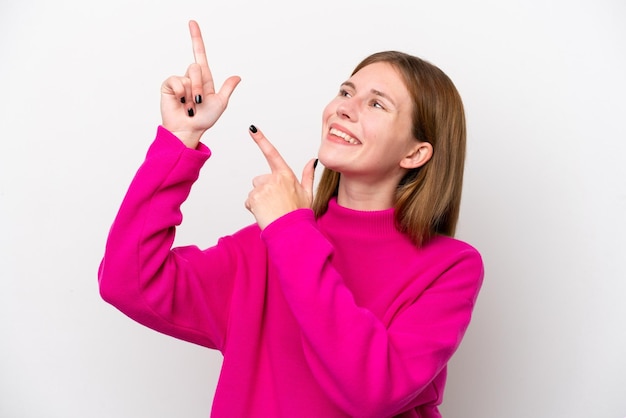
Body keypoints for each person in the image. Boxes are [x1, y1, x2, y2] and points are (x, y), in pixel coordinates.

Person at [98, 19, 483, 418]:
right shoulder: (267, 245)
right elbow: (127, 282)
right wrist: (180, 140)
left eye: (376, 103)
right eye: (346, 91)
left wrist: (291, 232)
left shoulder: (450, 266)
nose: (344, 108)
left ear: (415, 154)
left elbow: (371, 392)